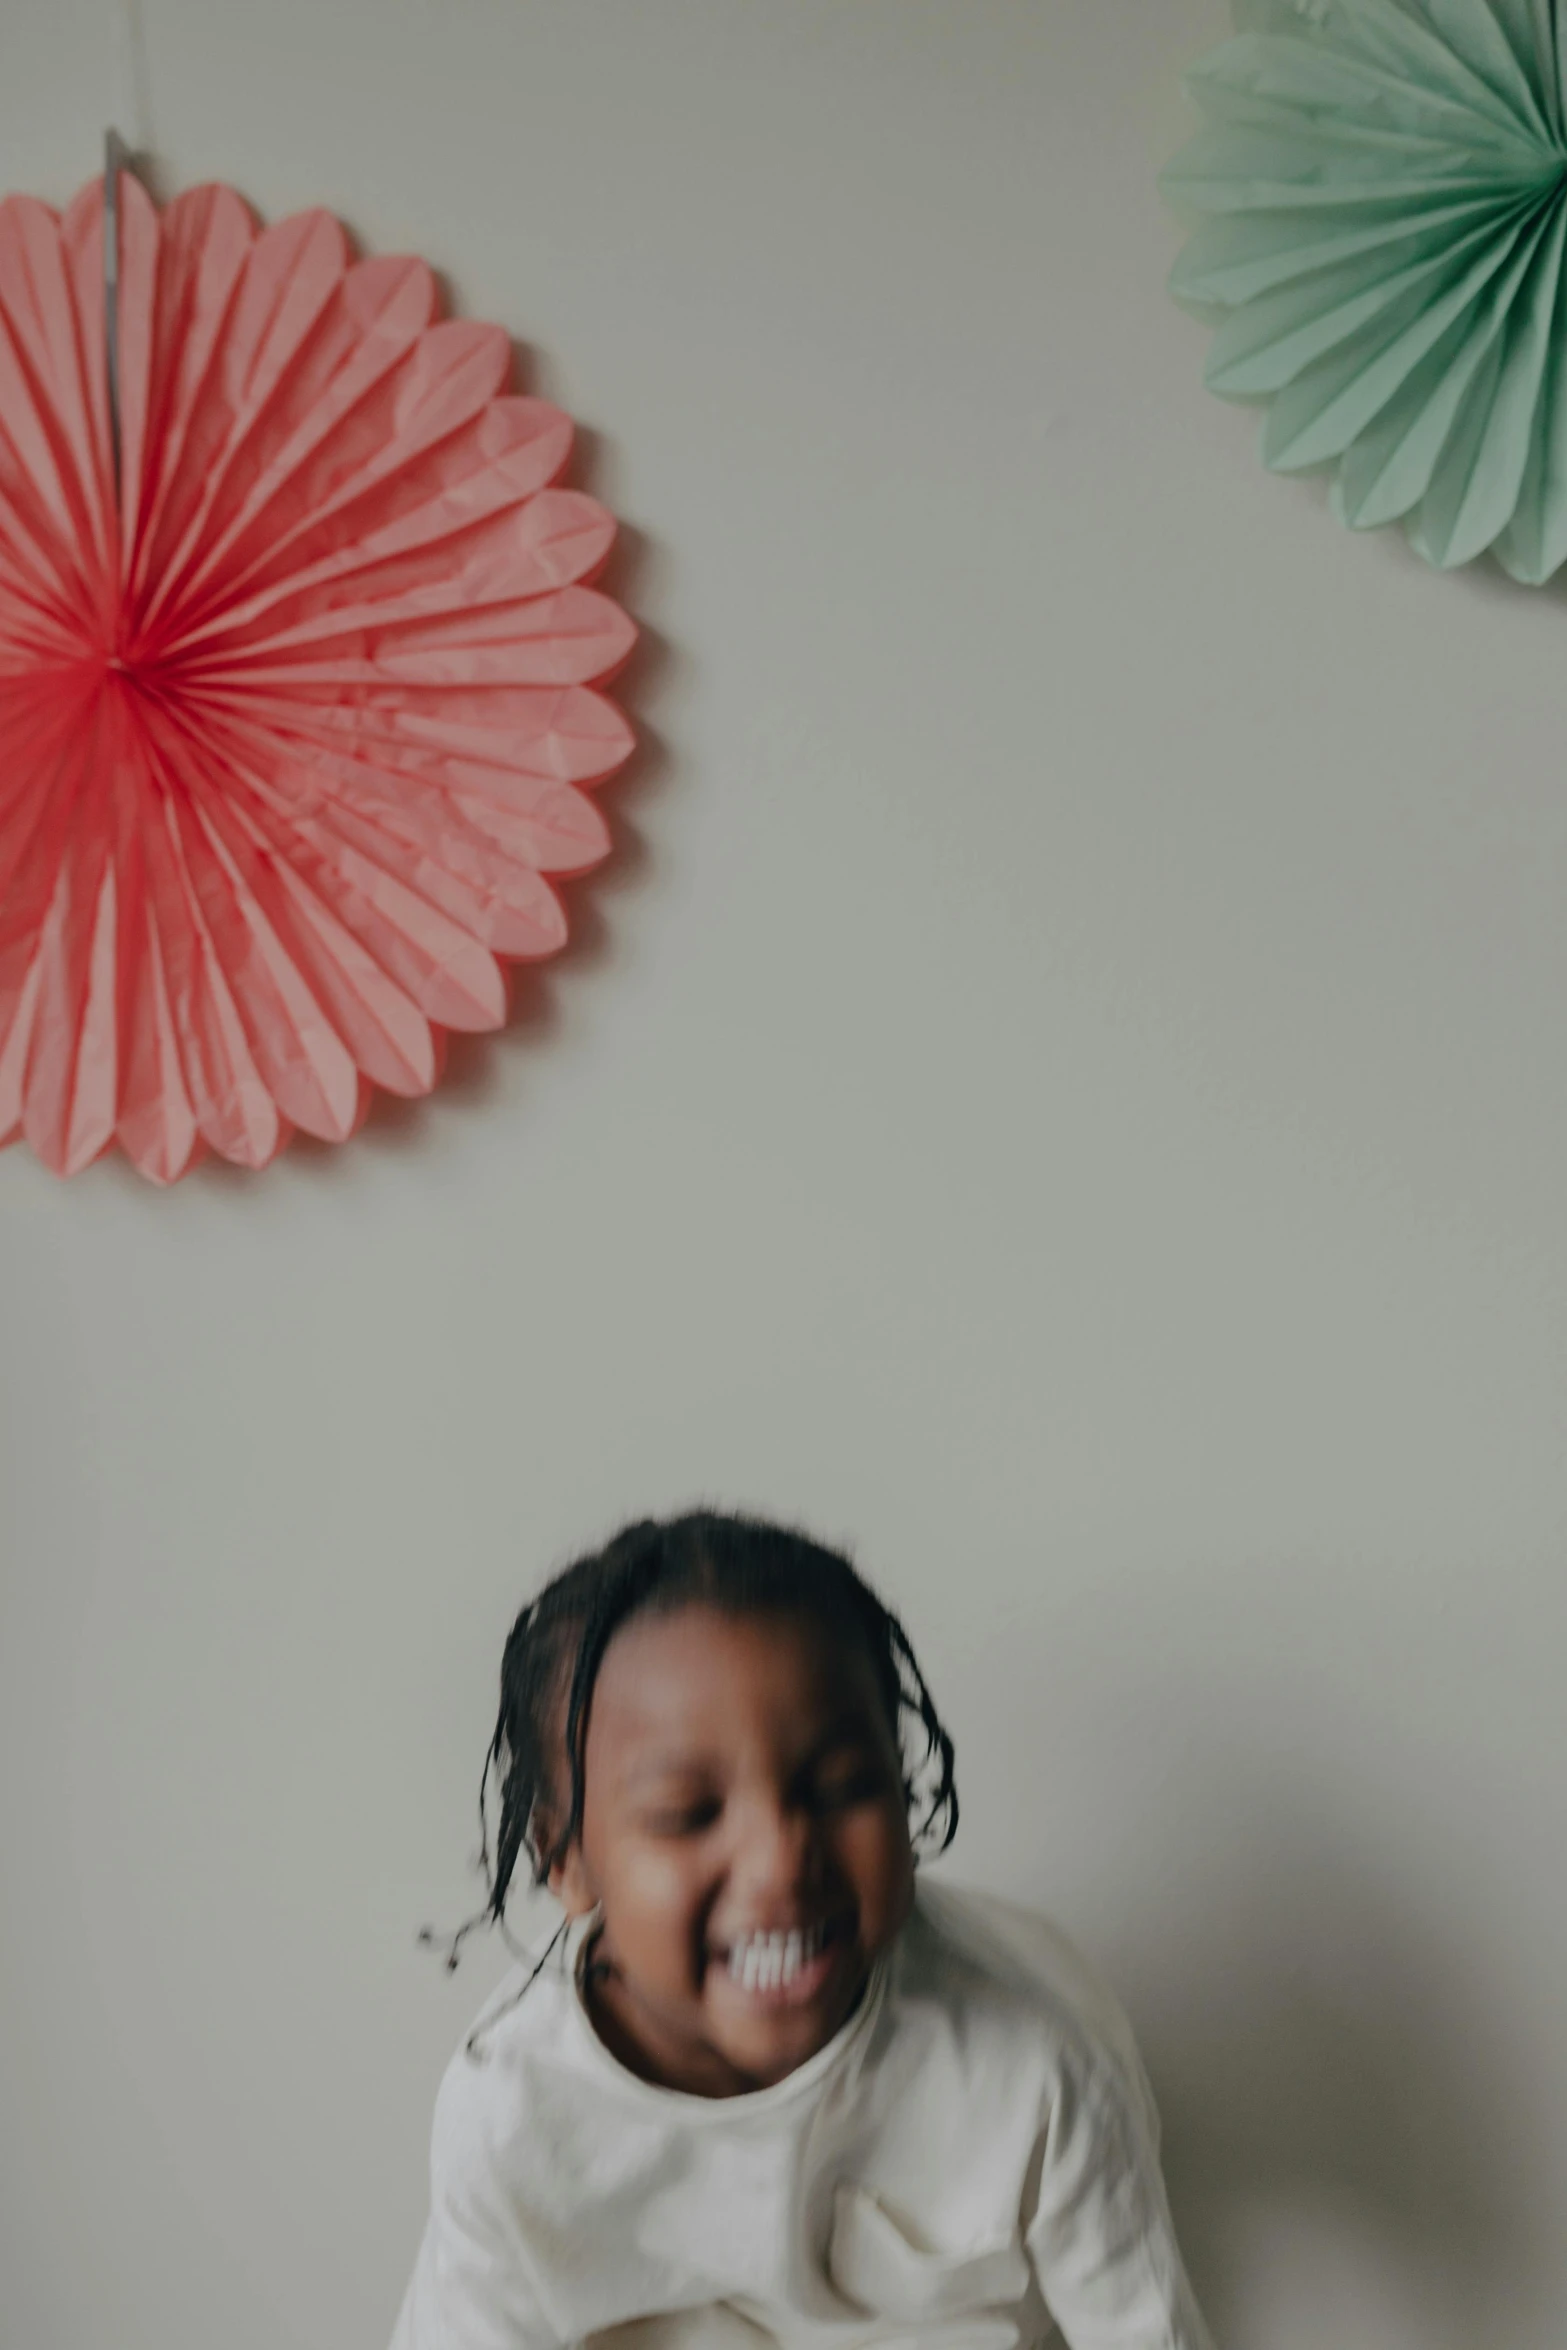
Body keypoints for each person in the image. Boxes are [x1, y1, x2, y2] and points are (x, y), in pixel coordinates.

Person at [390, 1511, 1215, 2350]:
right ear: (562, 1857)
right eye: (687, 1813)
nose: (783, 1860)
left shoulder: (1037, 2057)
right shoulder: (512, 2115)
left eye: (841, 1785)